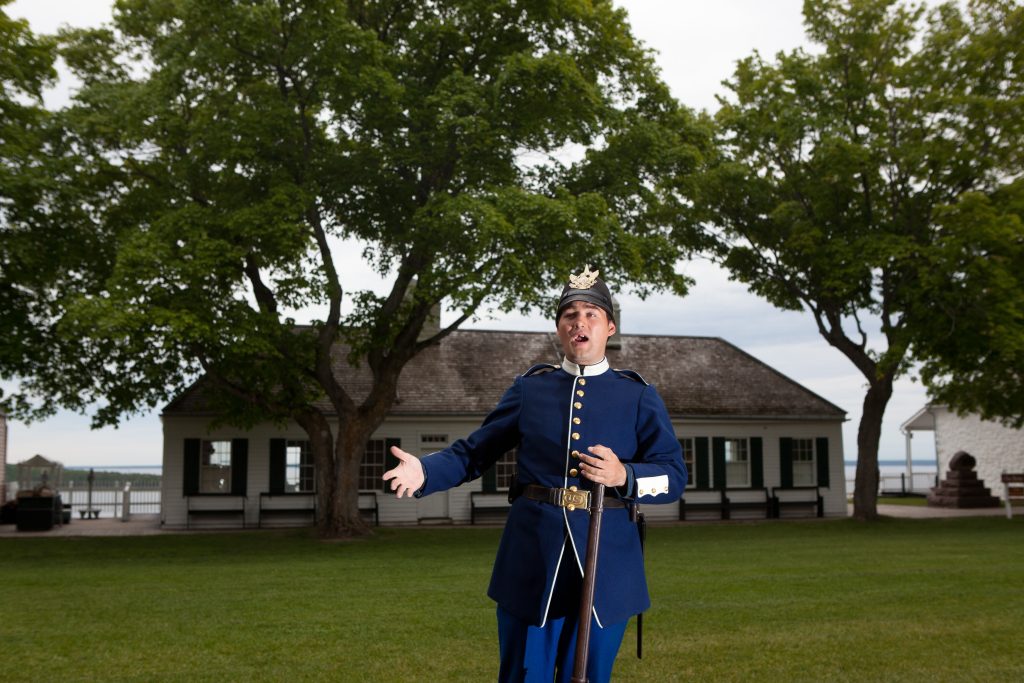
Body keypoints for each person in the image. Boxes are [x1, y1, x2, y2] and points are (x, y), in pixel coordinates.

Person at [383, 265, 687, 682]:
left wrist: (625, 476)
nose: (579, 322)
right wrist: (426, 471)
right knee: (524, 675)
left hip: (607, 566)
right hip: (531, 562)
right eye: (570, 315)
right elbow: (475, 451)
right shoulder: (531, 389)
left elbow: (674, 477)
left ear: (609, 328)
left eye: (591, 314)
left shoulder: (638, 396)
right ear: (559, 329)